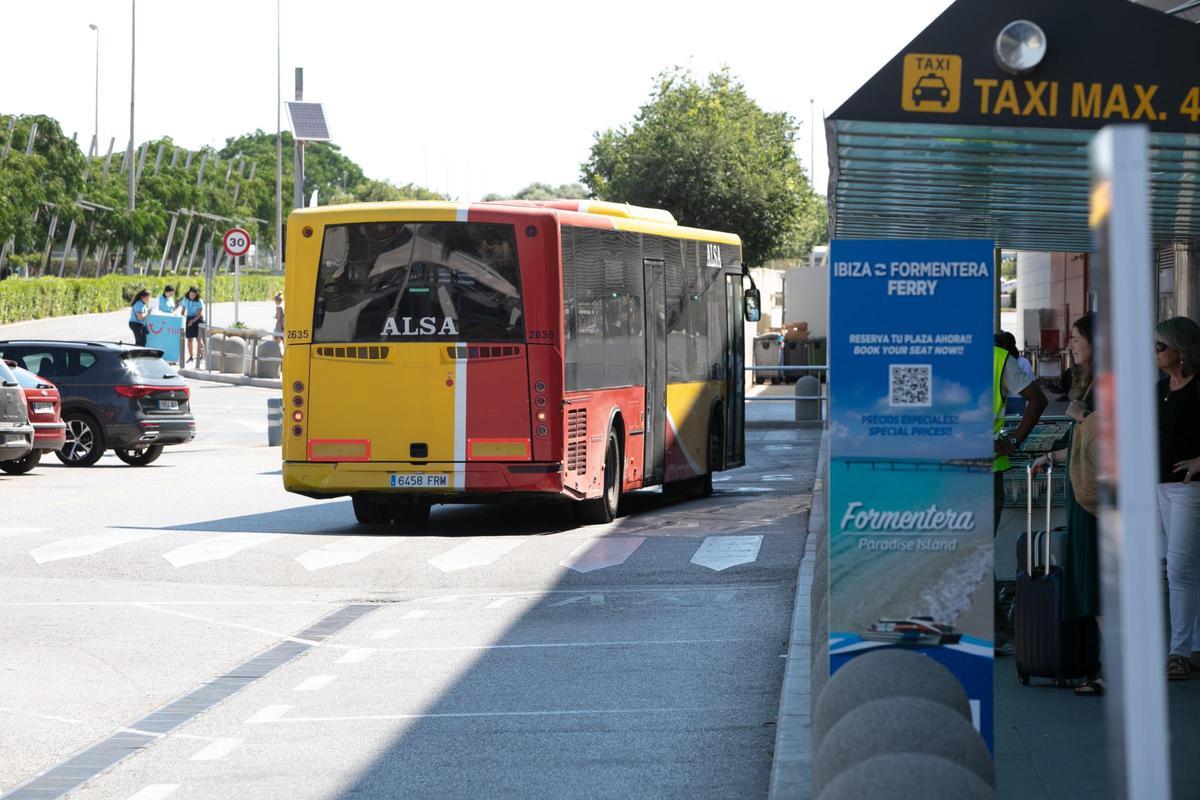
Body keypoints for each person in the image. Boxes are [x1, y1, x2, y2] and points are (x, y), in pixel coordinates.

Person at [1031, 313, 1102, 695]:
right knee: (1089, 584)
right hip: (1084, 495)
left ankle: (1117, 670)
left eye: (1077, 338)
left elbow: (1109, 439)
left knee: (1095, 585)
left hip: (1098, 500)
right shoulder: (1089, 384)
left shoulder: (1107, 387)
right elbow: (1082, 447)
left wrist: (1082, 416)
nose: (1071, 345)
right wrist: (1054, 457)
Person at [993, 336, 1049, 656]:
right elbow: (1037, 400)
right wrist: (1013, 440)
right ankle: (996, 630)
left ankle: (995, 630)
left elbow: (1037, 400)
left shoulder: (997, 356)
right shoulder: (998, 357)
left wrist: (1013, 440)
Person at [1154, 316, 1200, 681]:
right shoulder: (1160, 388)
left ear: (1181, 351)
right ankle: (1192, 645)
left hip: (1188, 487)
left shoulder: (1197, 387)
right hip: (1159, 486)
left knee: (1179, 567)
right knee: (1179, 566)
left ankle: (1179, 650)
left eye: (1160, 346)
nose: (1155, 352)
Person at [179, 287, 206, 364]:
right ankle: (191, 356)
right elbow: (183, 309)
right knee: (189, 339)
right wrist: (182, 318)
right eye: (191, 294)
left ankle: (202, 354)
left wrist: (193, 320)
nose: (192, 296)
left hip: (197, 318)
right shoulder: (185, 299)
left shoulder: (199, 300)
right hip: (189, 318)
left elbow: (200, 312)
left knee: (198, 338)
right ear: (189, 293)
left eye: (194, 295)